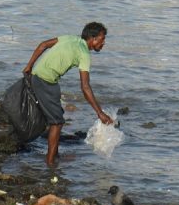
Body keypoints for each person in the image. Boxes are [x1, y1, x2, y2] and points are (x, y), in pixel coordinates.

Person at [22, 22, 114, 165]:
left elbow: (43, 45)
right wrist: (100, 113)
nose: (103, 43)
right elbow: (85, 87)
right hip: (45, 81)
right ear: (93, 38)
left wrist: (29, 66)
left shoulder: (70, 38)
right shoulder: (84, 54)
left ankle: (55, 155)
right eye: (102, 39)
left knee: (58, 116)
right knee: (57, 123)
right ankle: (50, 162)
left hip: (41, 77)